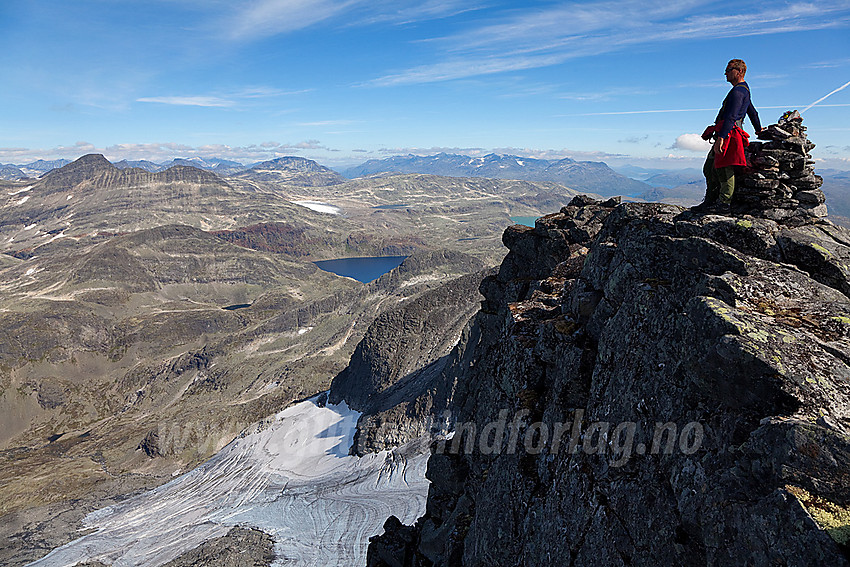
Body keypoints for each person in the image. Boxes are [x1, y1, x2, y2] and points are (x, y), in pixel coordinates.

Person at [694, 59, 762, 213]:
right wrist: (759, 130)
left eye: (729, 69)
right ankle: (711, 201)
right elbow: (752, 112)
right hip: (728, 133)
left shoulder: (738, 91)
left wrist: (721, 138)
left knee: (724, 168)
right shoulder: (743, 90)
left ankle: (723, 204)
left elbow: (731, 116)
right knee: (710, 167)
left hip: (730, 135)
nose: (725, 73)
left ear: (739, 71)